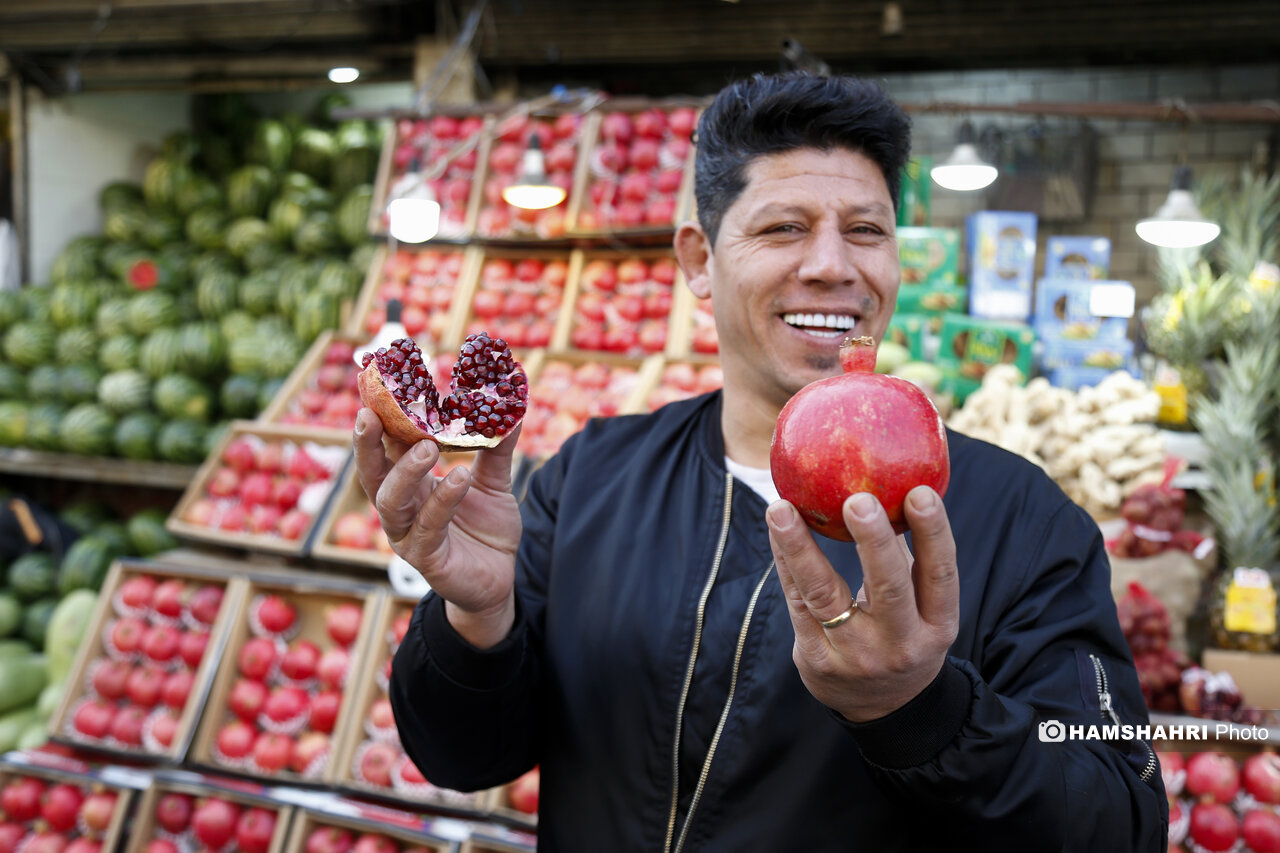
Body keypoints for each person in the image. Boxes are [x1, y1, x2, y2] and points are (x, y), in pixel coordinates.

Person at [354, 72, 1168, 852]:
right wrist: (476, 621)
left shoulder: (1024, 522)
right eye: (784, 227)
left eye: (866, 230)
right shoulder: (593, 476)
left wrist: (921, 710)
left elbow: (1121, 822)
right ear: (698, 260)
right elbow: (464, 760)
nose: (832, 266)